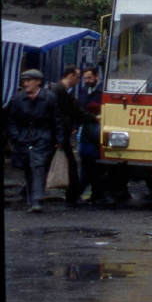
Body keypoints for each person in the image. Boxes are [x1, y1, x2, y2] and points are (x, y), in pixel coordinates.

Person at [6, 70, 64, 212]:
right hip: (24, 138)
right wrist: (16, 136)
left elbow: (57, 119)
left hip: (43, 137)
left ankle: (37, 200)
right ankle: (32, 198)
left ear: (38, 82)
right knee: (28, 166)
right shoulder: (18, 98)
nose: (25, 84)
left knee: (38, 165)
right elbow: (11, 119)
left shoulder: (49, 97)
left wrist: (59, 139)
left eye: (29, 80)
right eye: (24, 81)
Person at [53, 65, 94, 205]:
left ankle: (73, 196)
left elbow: (76, 113)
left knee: (62, 164)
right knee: (70, 166)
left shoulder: (63, 92)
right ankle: (72, 198)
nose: (78, 81)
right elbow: (64, 114)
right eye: (77, 78)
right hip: (59, 136)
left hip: (61, 135)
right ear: (70, 76)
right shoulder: (59, 92)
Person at [77, 66, 109, 204]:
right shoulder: (84, 91)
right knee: (91, 168)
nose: (87, 80)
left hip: (96, 130)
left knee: (92, 168)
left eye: (89, 77)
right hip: (86, 130)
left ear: (97, 76)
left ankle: (94, 194)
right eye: (85, 78)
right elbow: (80, 110)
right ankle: (96, 195)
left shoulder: (103, 92)